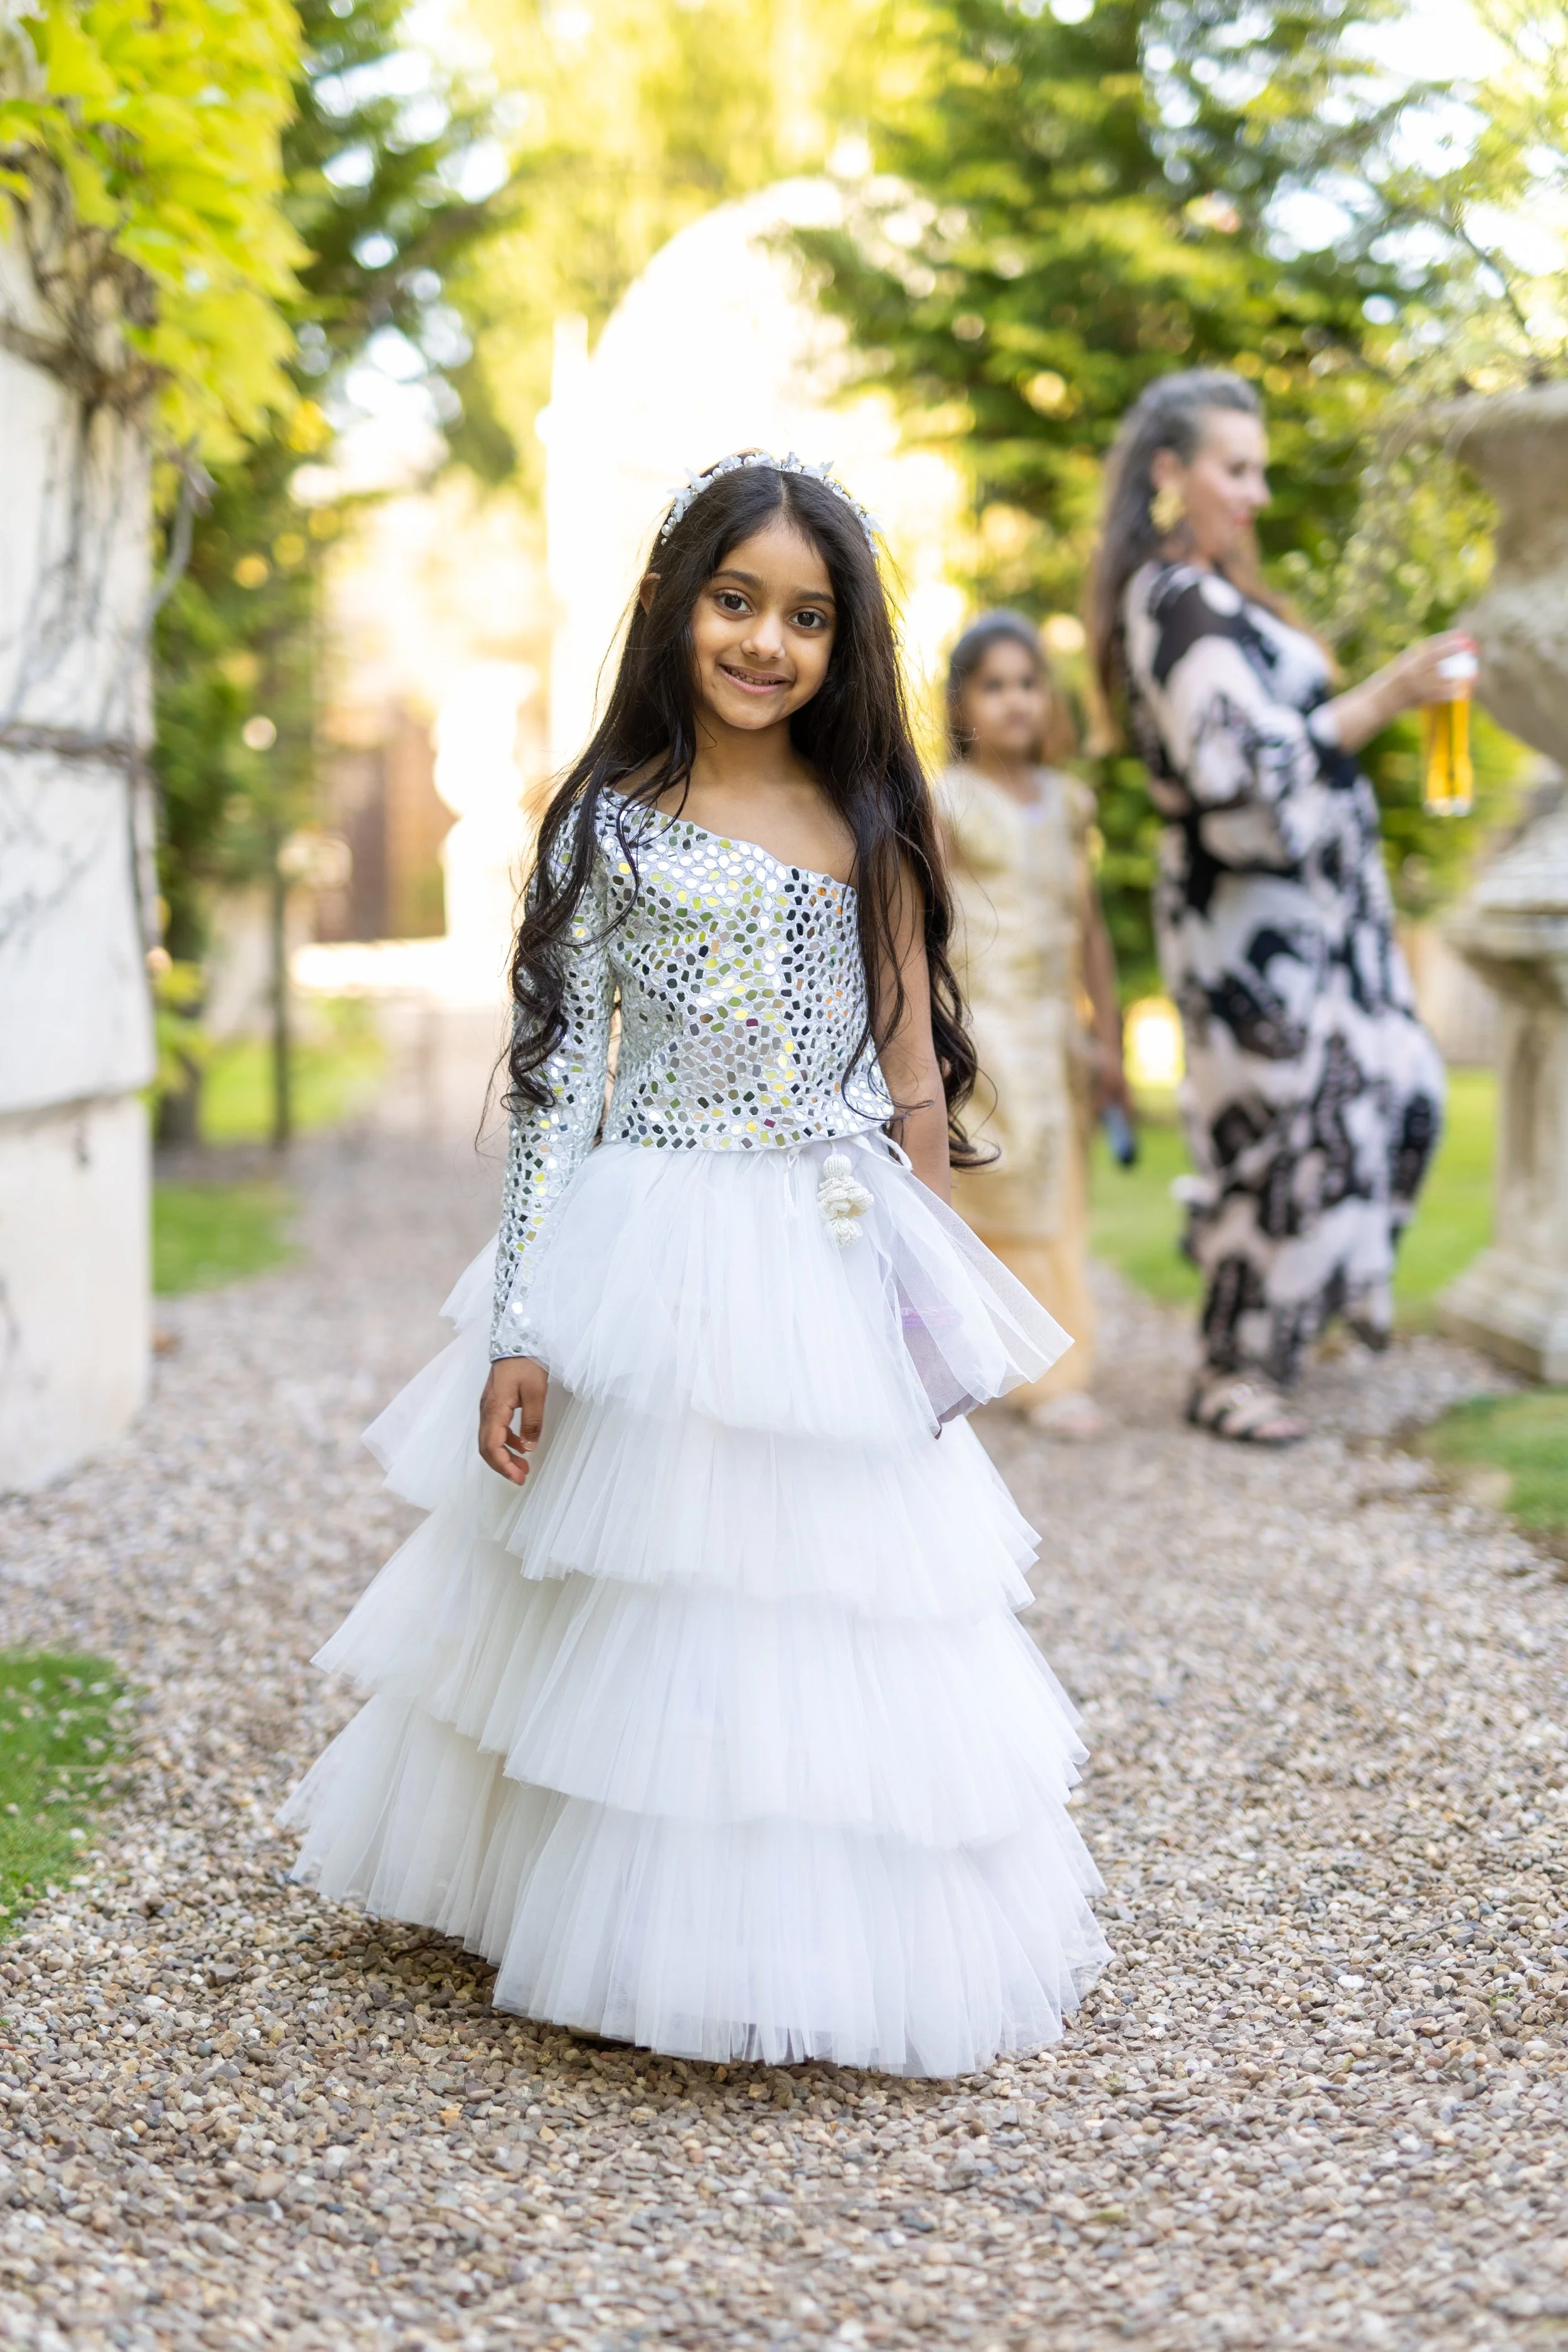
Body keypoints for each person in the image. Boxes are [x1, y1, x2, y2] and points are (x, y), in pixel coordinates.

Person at [282, 452, 1110, 2076]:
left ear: (840, 643)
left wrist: (922, 1296)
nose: (763, 642)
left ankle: (793, 1933)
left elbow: (911, 1076)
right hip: (645, 1247)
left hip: (822, 1244)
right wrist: (519, 1322)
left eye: (804, 616)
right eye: (735, 601)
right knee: (637, 1585)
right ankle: (597, 1904)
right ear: (673, 602)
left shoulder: (868, 815)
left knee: (814, 1597)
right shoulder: (607, 823)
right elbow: (553, 1085)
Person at [1086, 368, 1458, 1446]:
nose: (1253, 492)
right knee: (1276, 1126)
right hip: (1245, 921)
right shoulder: (1170, 598)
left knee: (1395, 1089)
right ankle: (1228, 1367)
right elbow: (1232, 763)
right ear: (1171, 473)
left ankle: (1296, 1308)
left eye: (1260, 470)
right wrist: (1388, 694)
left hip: (1315, 914)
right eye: (1234, 468)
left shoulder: (1228, 596)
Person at [936, 613, 1128, 1436]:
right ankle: (1021, 1370)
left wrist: (1109, 1035)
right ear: (964, 702)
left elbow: (1087, 928)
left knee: (1056, 1184)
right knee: (997, 1181)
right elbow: (926, 921)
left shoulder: (1068, 801)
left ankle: (1047, 1355)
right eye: (995, 685)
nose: (1015, 701)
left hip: (1053, 1032)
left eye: (1028, 683)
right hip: (982, 1021)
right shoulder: (948, 800)